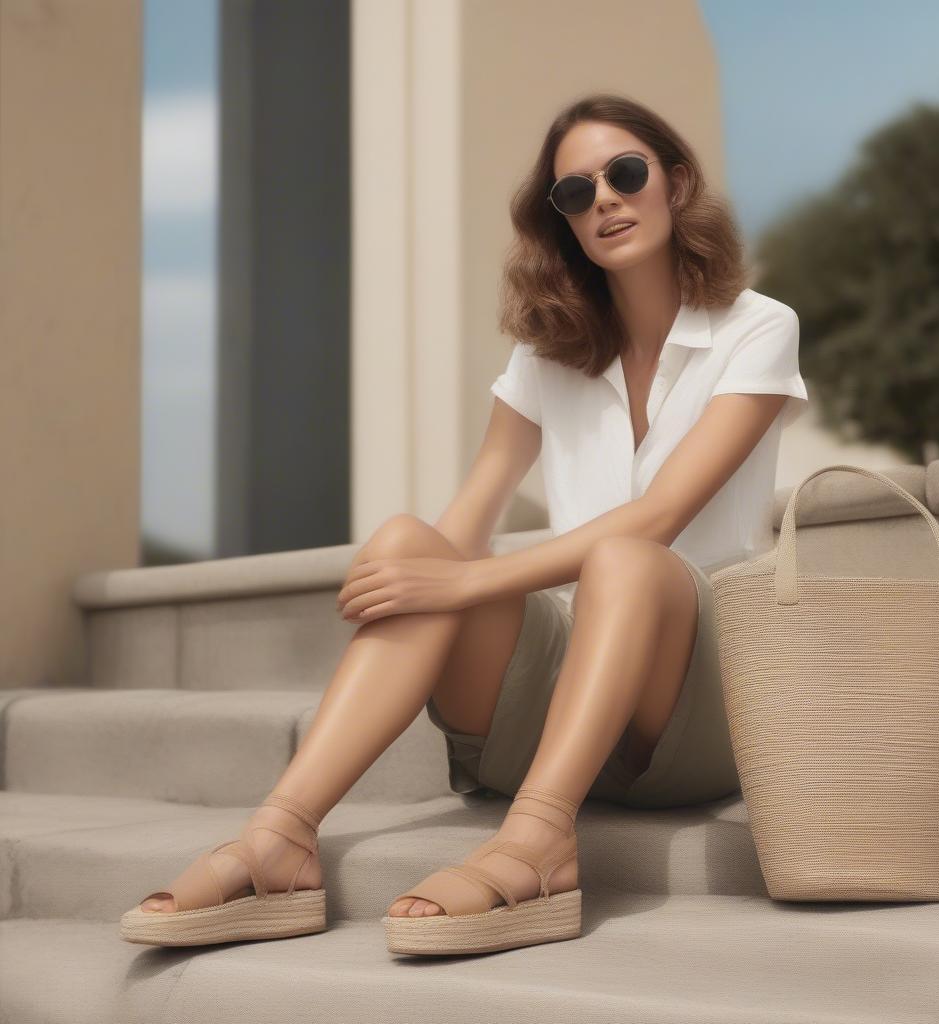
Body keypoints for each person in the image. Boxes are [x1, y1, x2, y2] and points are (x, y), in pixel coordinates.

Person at [120, 92, 808, 956]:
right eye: (575, 193)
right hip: (571, 693)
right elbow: (468, 517)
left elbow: (663, 515)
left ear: (675, 183)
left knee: (628, 560)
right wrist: (414, 582)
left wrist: (465, 581)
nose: (605, 199)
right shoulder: (547, 353)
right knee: (411, 541)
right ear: (560, 222)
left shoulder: (757, 327)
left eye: (625, 175)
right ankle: (281, 837)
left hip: (696, 704)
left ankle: (541, 842)